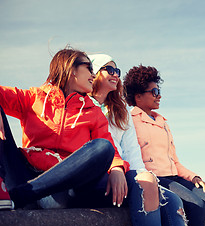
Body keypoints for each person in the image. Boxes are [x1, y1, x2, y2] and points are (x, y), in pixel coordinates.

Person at [0, 47, 130, 210]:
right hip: (23, 172)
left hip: (60, 186)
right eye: (88, 68)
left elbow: (108, 146)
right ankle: (18, 192)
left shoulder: (93, 112)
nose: (93, 74)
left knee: (104, 148)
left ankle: (24, 195)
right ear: (71, 69)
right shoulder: (34, 97)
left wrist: (117, 168)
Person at [123, 65, 205, 226]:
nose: (159, 95)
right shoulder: (130, 120)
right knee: (196, 207)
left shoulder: (163, 122)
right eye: (154, 91)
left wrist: (193, 177)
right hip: (156, 179)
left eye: (158, 90)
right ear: (138, 96)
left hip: (176, 177)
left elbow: (174, 161)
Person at [89, 53, 190, 226]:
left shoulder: (120, 111)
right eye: (109, 69)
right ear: (94, 73)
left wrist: (144, 176)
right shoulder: (86, 107)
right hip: (102, 174)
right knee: (147, 188)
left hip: (126, 172)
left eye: (117, 71)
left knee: (173, 200)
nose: (115, 74)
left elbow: (132, 151)